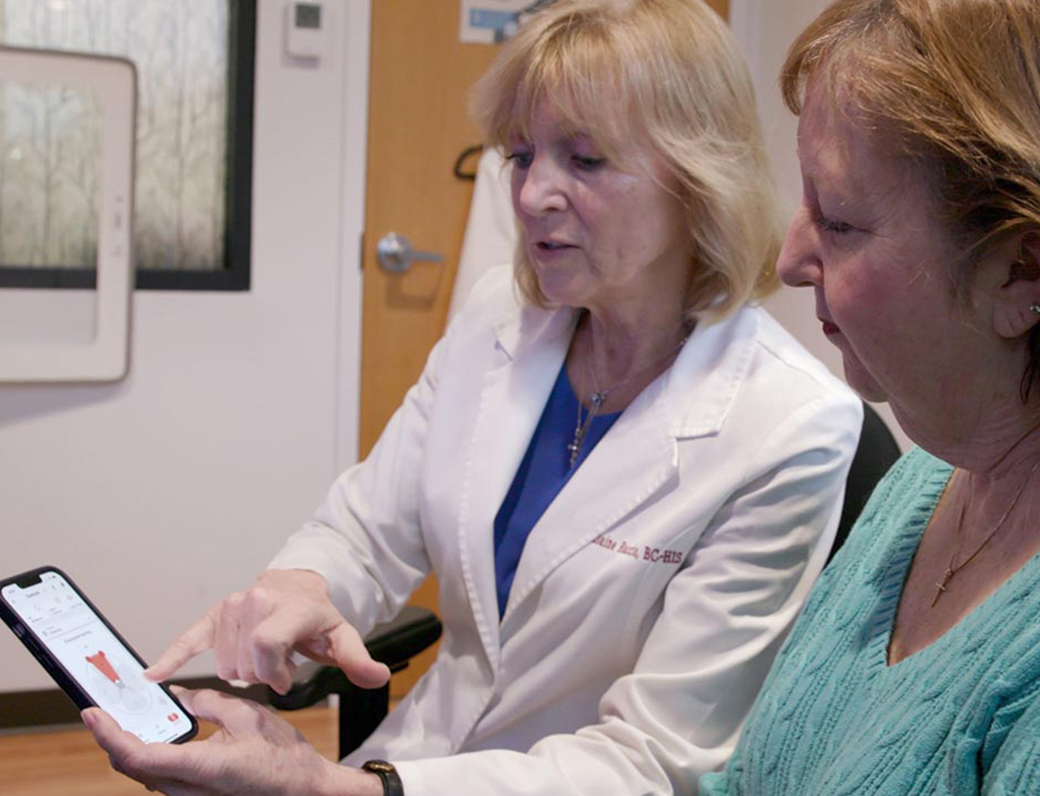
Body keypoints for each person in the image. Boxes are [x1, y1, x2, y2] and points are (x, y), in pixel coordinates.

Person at [84, 1, 862, 794]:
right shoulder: (500, 317)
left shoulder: (789, 426)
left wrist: (333, 788)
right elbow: (364, 529)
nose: (530, 196)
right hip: (411, 758)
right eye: (522, 155)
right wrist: (301, 588)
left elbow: (650, 762)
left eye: (584, 160)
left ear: (699, 175)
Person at [698, 1, 1040, 793]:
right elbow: (750, 777)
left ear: (1019, 270)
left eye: (839, 221)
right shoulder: (921, 484)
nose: (786, 259)